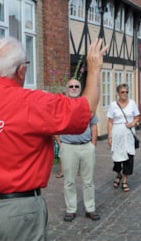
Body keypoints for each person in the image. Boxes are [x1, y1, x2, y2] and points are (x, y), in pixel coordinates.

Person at [0, 31, 108, 240]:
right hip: (19, 209)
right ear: (21, 70)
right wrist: (94, 69)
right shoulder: (35, 102)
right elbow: (87, 110)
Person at [57, 79, 100, 222]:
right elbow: (55, 125)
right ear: (67, 88)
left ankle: (90, 208)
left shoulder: (85, 104)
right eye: (71, 86)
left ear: (80, 89)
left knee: (88, 181)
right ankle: (71, 209)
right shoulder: (62, 106)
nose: (74, 88)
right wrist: (60, 143)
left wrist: (93, 145)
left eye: (77, 86)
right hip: (68, 147)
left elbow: (94, 125)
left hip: (86, 146)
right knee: (69, 181)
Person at [107, 84, 140, 193]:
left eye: (126, 92)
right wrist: (109, 136)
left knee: (128, 157)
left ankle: (125, 180)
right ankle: (118, 174)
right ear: (118, 93)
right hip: (117, 133)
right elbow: (110, 122)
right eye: (122, 92)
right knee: (117, 158)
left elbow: (137, 117)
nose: (125, 94)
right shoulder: (113, 105)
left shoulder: (132, 104)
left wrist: (132, 124)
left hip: (128, 134)